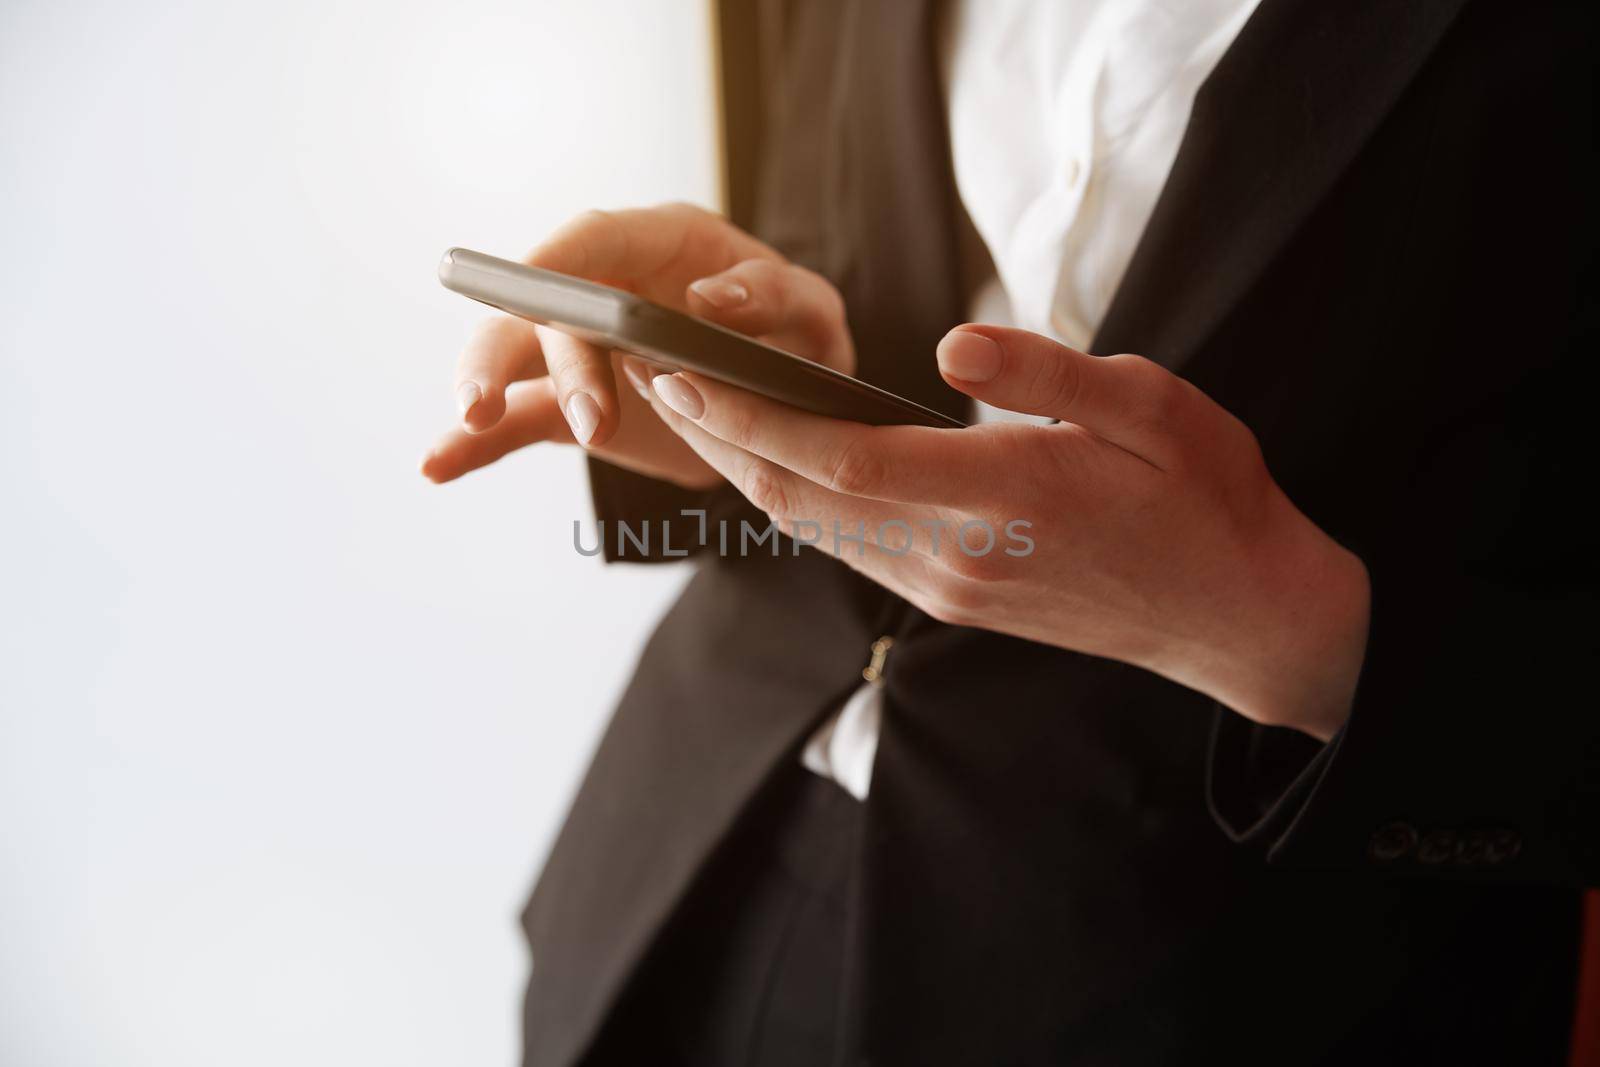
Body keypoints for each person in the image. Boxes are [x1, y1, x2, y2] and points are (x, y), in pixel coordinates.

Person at [419, 1, 1600, 1063]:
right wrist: (756, 378)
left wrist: (1280, 626)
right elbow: (865, 244)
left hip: (1209, 970)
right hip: (682, 868)